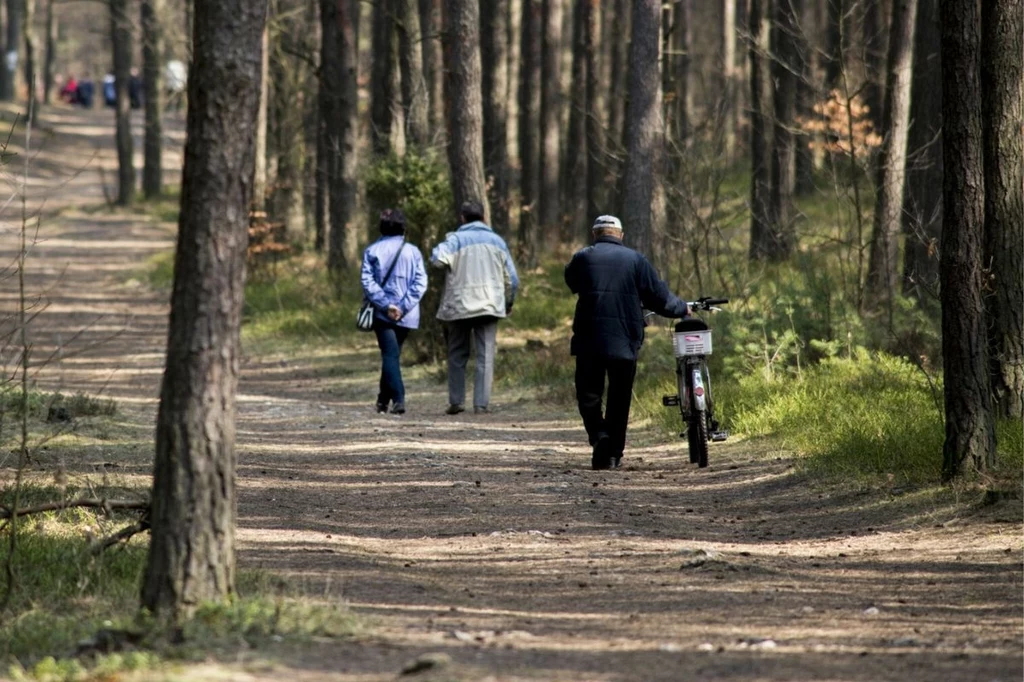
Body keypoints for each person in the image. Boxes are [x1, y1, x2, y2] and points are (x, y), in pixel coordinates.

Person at [564, 215, 689, 470]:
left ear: (594, 233)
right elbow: (658, 297)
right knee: (619, 398)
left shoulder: (582, 257)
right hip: (624, 340)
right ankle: (613, 454)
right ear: (620, 235)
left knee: (588, 394)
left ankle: (600, 436)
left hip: (589, 338)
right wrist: (682, 309)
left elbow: (571, 282)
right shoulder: (636, 260)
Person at [430, 200, 519, 415]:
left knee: (457, 354)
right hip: (489, 305)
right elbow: (512, 279)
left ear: (462, 218)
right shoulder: (497, 241)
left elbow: (436, 260)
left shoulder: (455, 240)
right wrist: (508, 303)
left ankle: (456, 401)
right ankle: (481, 404)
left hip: (459, 305)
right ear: (484, 217)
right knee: (485, 356)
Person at [361, 209, 428, 415]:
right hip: (406, 315)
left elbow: (367, 281)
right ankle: (382, 401)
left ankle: (398, 399)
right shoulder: (413, 252)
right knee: (392, 355)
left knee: (390, 355)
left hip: (382, 314)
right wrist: (404, 306)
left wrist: (386, 305)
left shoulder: (372, 251)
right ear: (403, 228)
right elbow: (420, 282)